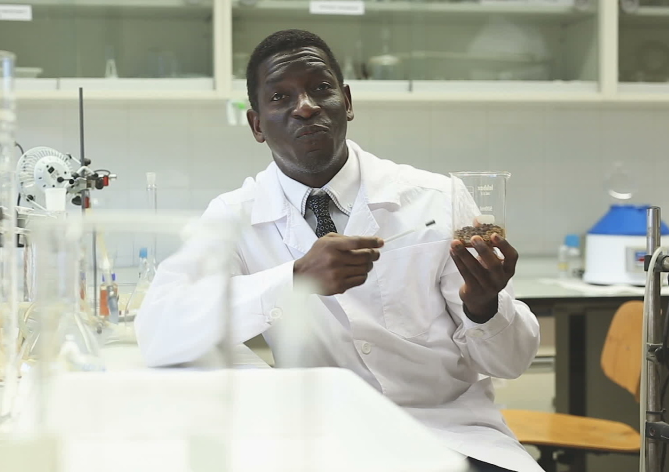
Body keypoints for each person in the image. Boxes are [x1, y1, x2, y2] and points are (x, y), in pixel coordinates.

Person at [135, 29, 542, 472]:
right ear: (256, 124)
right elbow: (159, 332)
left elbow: (510, 362)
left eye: (320, 88)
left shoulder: (436, 198)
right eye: (279, 97)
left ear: (346, 101)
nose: (305, 106)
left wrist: (484, 308)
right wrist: (293, 280)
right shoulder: (233, 216)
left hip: (447, 436)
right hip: (320, 444)